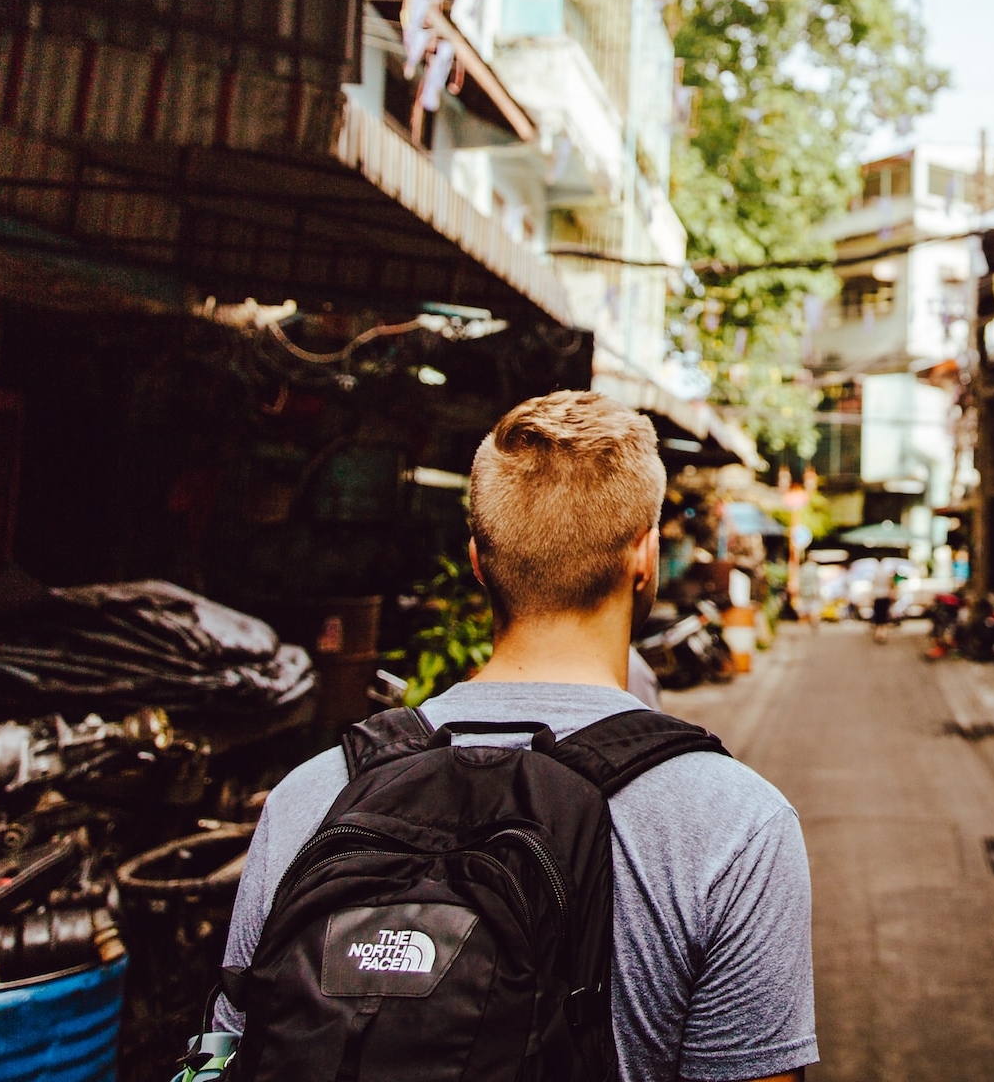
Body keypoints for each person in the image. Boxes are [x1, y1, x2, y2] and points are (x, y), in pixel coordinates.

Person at [207, 391, 816, 1081]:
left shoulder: (312, 796)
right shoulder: (734, 826)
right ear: (643, 556)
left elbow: (224, 1053)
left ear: (476, 558)